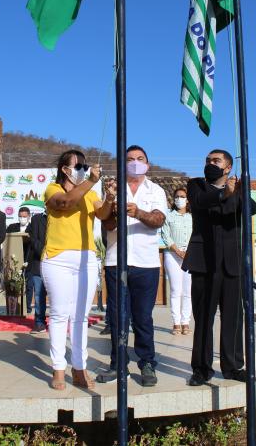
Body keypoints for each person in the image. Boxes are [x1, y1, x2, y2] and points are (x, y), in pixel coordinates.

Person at [183, 149, 256, 386]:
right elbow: (199, 203)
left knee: (234, 317)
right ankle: (202, 368)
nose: (210, 164)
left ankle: (233, 366)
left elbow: (251, 209)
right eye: (207, 160)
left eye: (216, 161)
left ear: (228, 168)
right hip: (204, 262)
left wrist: (238, 192)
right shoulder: (196, 185)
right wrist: (225, 193)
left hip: (232, 263)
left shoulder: (240, 189)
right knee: (204, 318)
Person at [98, 145, 167, 387]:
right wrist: (114, 207)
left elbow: (158, 220)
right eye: (129, 159)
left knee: (143, 318)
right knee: (117, 317)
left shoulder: (156, 190)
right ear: (122, 163)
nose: (135, 162)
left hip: (146, 264)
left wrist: (137, 212)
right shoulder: (112, 189)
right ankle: (118, 364)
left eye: (140, 159)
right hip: (117, 262)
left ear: (147, 164)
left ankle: (147, 363)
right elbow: (106, 225)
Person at [42, 149, 111, 390]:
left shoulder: (90, 194)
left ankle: (79, 367)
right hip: (57, 258)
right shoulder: (53, 189)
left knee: (81, 315)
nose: (83, 169)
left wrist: (110, 198)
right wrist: (92, 181)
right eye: (78, 166)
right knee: (60, 313)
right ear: (65, 169)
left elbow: (102, 214)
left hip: (87, 258)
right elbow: (65, 203)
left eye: (85, 165)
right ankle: (58, 368)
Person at [161, 187, 193, 335]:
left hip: (189, 255)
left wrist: (188, 251)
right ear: (174, 199)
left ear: (187, 200)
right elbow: (165, 235)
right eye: (177, 196)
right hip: (172, 255)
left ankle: (186, 321)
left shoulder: (192, 217)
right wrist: (177, 250)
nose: (180, 199)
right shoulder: (169, 216)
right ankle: (176, 322)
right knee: (175, 290)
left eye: (183, 196)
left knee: (188, 291)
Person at [7, 207, 35, 315]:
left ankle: (27, 307)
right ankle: (13, 308)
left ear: (29, 216)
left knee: (29, 285)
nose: (22, 218)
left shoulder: (33, 228)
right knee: (13, 285)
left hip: (29, 260)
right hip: (15, 260)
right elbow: (7, 239)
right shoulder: (12, 227)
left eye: (24, 217)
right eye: (20, 216)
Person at [26, 210, 48, 334]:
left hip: (58, 262)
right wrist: (44, 252)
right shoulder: (36, 219)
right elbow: (32, 238)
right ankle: (39, 322)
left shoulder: (61, 216)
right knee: (39, 295)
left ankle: (59, 322)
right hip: (38, 261)